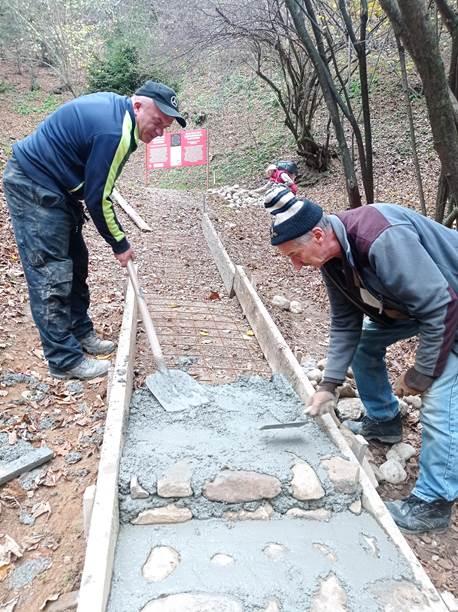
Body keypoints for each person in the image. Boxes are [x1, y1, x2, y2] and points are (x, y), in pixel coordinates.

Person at [264, 184, 458, 534]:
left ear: (319, 235)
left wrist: (420, 375)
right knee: (363, 345)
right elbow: (345, 323)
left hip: (450, 303)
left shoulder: (383, 238)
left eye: (295, 254)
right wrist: (328, 385)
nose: (295, 266)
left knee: (441, 398)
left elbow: (440, 307)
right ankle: (384, 422)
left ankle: (433, 503)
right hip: (418, 304)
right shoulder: (333, 260)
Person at [3, 81, 186, 381]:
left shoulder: (122, 119)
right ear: (138, 105)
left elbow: (95, 188)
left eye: (166, 127)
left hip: (59, 188)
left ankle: (79, 332)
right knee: (52, 274)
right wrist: (120, 243)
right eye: (157, 122)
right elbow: (98, 198)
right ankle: (63, 359)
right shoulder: (115, 132)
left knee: (76, 263)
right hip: (33, 184)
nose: (160, 132)